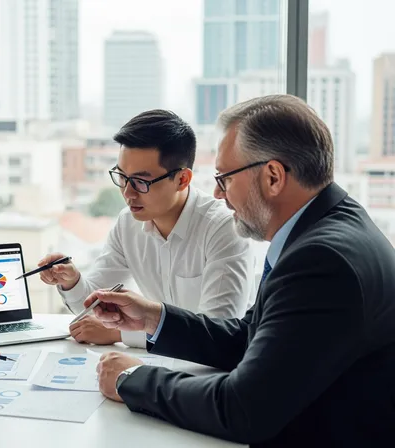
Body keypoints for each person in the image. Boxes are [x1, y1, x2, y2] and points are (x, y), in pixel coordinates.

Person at [88, 95, 395, 446]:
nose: (217, 194)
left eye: (226, 178)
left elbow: (242, 408)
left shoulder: (321, 261)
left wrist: (133, 378)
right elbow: (252, 336)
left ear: (273, 177)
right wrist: (156, 318)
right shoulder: (327, 226)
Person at [38, 110, 255, 347]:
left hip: (216, 373)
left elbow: (218, 333)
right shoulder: (128, 223)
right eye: (122, 177)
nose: (128, 193)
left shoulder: (222, 228)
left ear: (182, 179)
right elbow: (92, 308)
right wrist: (72, 280)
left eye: (141, 182)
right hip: (162, 364)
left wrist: (122, 334)